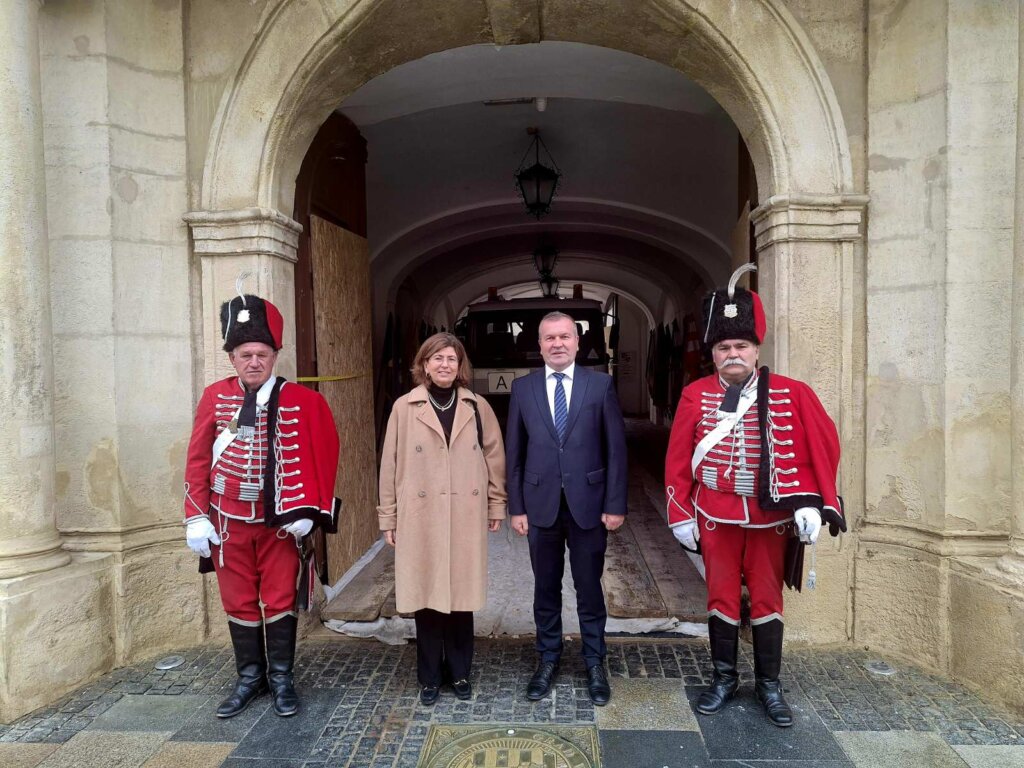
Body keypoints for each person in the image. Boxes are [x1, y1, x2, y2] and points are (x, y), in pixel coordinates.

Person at [664, 263, 845, 727]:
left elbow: (819, 447)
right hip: (715, 515)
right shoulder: (694, 395)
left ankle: (769, 685)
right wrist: (680, 512)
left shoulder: (791, 392)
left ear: (755, 348)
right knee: (720, 599)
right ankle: (723, 680)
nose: (732, 354)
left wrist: (810, 500)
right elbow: (679, 459)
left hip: (771, 518)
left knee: (767, 600)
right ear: (714, 353)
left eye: (740, 346)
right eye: (723, 347)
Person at [183, 289, 340, 719]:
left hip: (279, 525)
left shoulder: (306, 401)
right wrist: (196, 517)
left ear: (275, 356)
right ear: (233, 358)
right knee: (238, 600)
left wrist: (310, 511)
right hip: (228, 522)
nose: (254, 361)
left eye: (262, 354)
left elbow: (324, 457)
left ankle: (282, 679)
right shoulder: (215, 398)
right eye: (245, 353)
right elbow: (197, 459)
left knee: (279, 598)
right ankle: (250, 678)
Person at [377, 333, 507, 706]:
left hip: (465, 513)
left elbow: (495, 457)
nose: (445, 365)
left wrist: (496, 505)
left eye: (451, 358)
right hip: (422, 515)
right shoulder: (405, 406)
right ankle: (430, 676)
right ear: (424, 364)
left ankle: (461, 672)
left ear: (460, 365)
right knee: (428, 596)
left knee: (461, 597)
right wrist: (389, 516)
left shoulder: (476, 405)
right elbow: (390, 465)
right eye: (437, 359)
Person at [505, 312, 628, 706]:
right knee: (545, 588)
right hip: (540, 506)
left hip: (589, 506)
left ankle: (595, 662)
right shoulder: (523, 390)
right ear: (539, 345)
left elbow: (616, 450)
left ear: (577, 342)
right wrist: (516, 507)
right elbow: (515, 453)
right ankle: (548, 658)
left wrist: (614, 504)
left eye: (564, 337)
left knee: (589, 588)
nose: (557, 344)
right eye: (549, 338)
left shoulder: (601, 385)